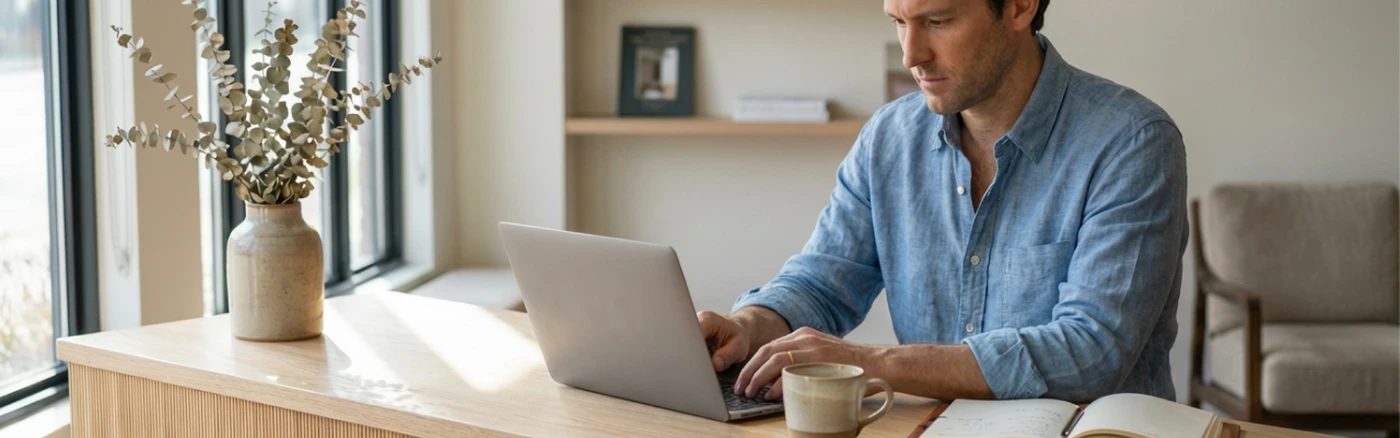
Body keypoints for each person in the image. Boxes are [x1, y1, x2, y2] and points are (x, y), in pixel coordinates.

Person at [698, 0, 1187, 403]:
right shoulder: (888, 139)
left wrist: (870, 363)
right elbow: (823, 283)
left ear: (1019, 8)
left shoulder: (1132, 142)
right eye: (898, 23)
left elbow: (1091, 351)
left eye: (937, 21)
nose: (912, 55)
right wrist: (751, 324)